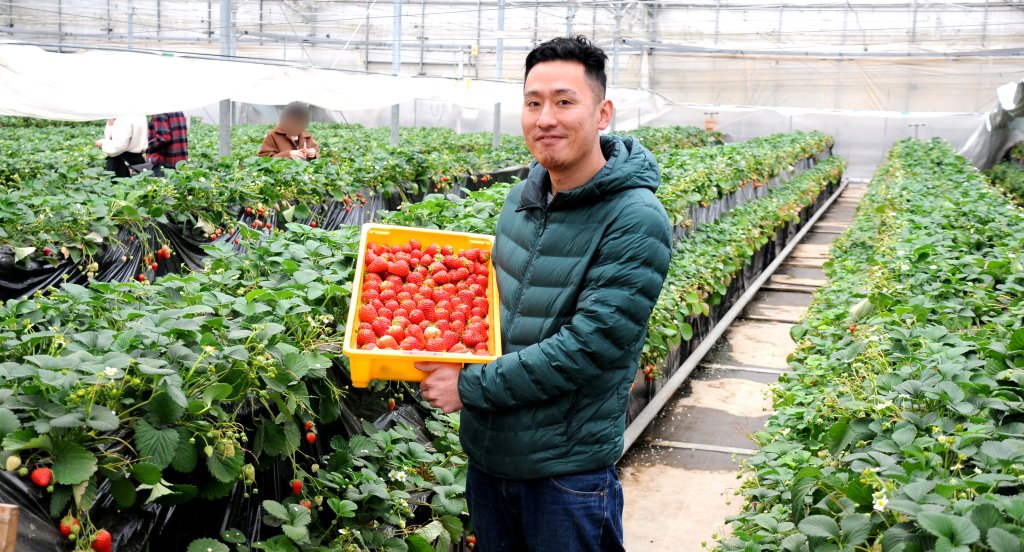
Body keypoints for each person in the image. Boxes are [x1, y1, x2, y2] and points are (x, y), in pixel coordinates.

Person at [417, 36, 672, 551]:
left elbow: (587, 348)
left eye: (563, 101)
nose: (545, 118)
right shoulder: (522, 197)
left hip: (565, 476)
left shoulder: (635, 218)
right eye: (533, 103)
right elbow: (497, 307)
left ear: (602, 114)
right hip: (490, 461)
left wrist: (468, 388)